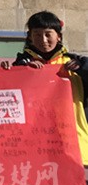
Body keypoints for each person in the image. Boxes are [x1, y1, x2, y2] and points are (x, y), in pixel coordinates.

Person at [8, 11, 88, 165]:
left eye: (48, 34)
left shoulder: (74, 62)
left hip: (74, 137)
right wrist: (23, 71)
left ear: (59, 36)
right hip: (36, 138)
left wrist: (81, 69)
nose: (43, 40)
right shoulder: (22, 65)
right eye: (37, 35)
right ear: (30, 37)